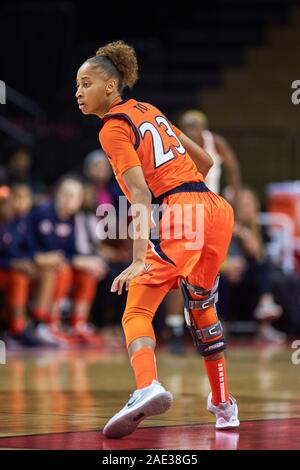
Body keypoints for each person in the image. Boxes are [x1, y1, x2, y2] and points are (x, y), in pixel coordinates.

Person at [76, 40, 239, 438]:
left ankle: (147, 384)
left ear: (111, 87)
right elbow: (205, 161)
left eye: (85, 83)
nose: (78, 93)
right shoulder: (150, 110)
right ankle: (223, 405)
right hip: (215, 209)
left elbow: (141, 196)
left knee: (136, 309)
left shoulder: (113, 127)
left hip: (183, 209)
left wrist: (136, 259)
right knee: (201, 308)